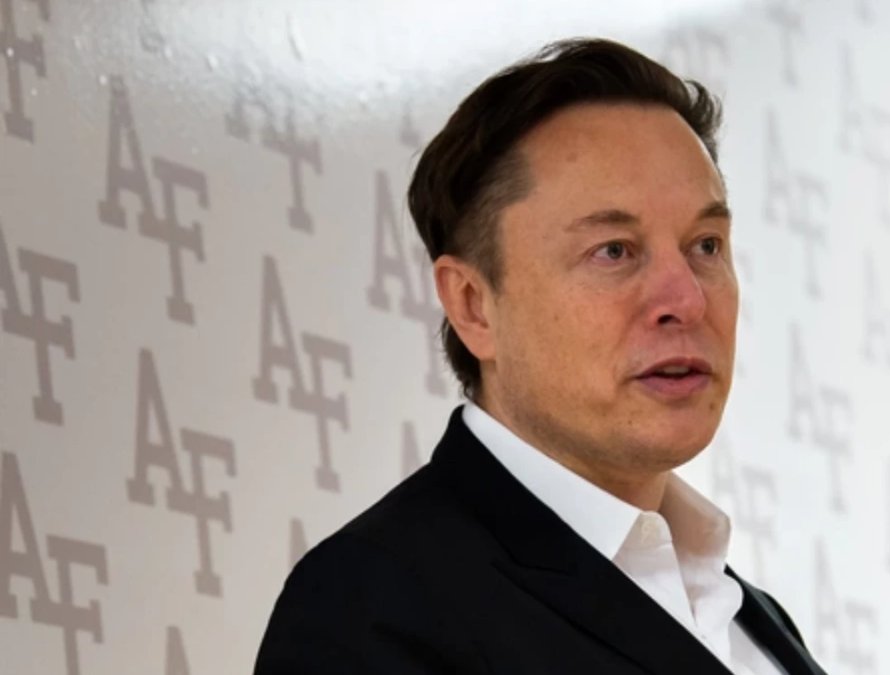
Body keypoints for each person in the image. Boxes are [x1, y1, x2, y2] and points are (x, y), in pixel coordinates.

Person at [254, 37, 827, 675]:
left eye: (707, 245)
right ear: (473, 305)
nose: (687, 299)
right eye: (614, 250)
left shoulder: (750, 616)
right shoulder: (369, 604)